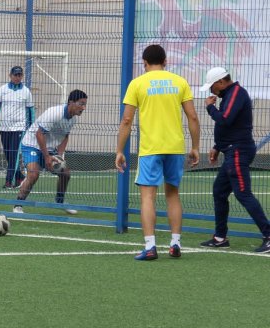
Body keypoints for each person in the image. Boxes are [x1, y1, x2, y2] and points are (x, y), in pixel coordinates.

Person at [115, 44, 200, 261]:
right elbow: (192, 117)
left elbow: (127, 119)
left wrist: (119, 150)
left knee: (147, 196)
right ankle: (175, 243)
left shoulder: (137, 83)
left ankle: (150, 246)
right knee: (173, 194)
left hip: (150, 149)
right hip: (175, 148)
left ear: (144, 63)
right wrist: (195, 147)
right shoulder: (180, 82)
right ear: (165, 61)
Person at [197, 66, 270, 254]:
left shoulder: (236, 93)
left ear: (221, 82)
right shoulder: (231, 94)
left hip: (238, 151)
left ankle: (268, 235)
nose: (212, 90)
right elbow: (229, 126)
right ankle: (220, 237)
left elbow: (225, 119)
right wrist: (217, 146)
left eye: (212, 86)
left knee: (243, 193)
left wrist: (210, 107)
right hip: (233, 150)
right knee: (219, 191)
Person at [12, 89, 88, 216]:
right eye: (81, 104)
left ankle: (59, 202)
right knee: (34, 174)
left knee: (65, 173)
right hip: (32, 144)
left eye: (85, 104)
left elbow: (65, 136)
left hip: (49, 148)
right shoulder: (55, 113)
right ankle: (18, 205)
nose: (84, 108)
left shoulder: (73, 119)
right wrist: (47, 157)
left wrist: (59, 155)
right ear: (71, 102)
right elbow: (39, 134)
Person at [0, 65, 35, 189]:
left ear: (22, 76)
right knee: (8, 154)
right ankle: (20, 177)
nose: (17, 77)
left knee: (14, 154)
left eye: (20, 75)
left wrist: (31, 128)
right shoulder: (2, 89)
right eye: (15, 75)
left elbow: (30, 111)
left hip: (19, 128)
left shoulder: (26, 91)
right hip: (4, 128)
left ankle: (9, 181)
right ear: (10, 75)